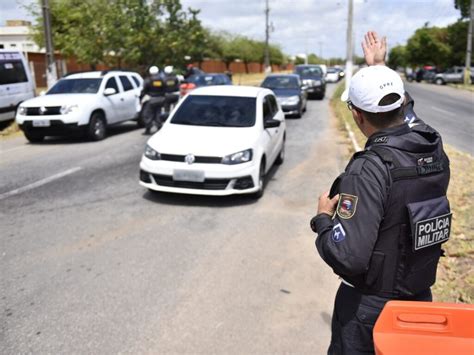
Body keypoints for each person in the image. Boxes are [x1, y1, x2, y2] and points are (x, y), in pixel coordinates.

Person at [309, 31, 451, 354]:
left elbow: (350, 258)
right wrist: (381, 69)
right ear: (401, 103)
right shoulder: (432, 146)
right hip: (420, 303)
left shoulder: (369, 169)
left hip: (370, 314)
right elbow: (410, 117)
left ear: (357, 116)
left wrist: (322, 221)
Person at [140, 65, 166, 135]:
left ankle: (148, 129)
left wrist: (141, 97)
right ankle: (159, 128)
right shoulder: (162, 79)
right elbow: (165, 88)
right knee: (158, 113)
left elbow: (144, 90)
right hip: (161, 99)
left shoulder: (148, 80)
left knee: (148, 114)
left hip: (151, 99)